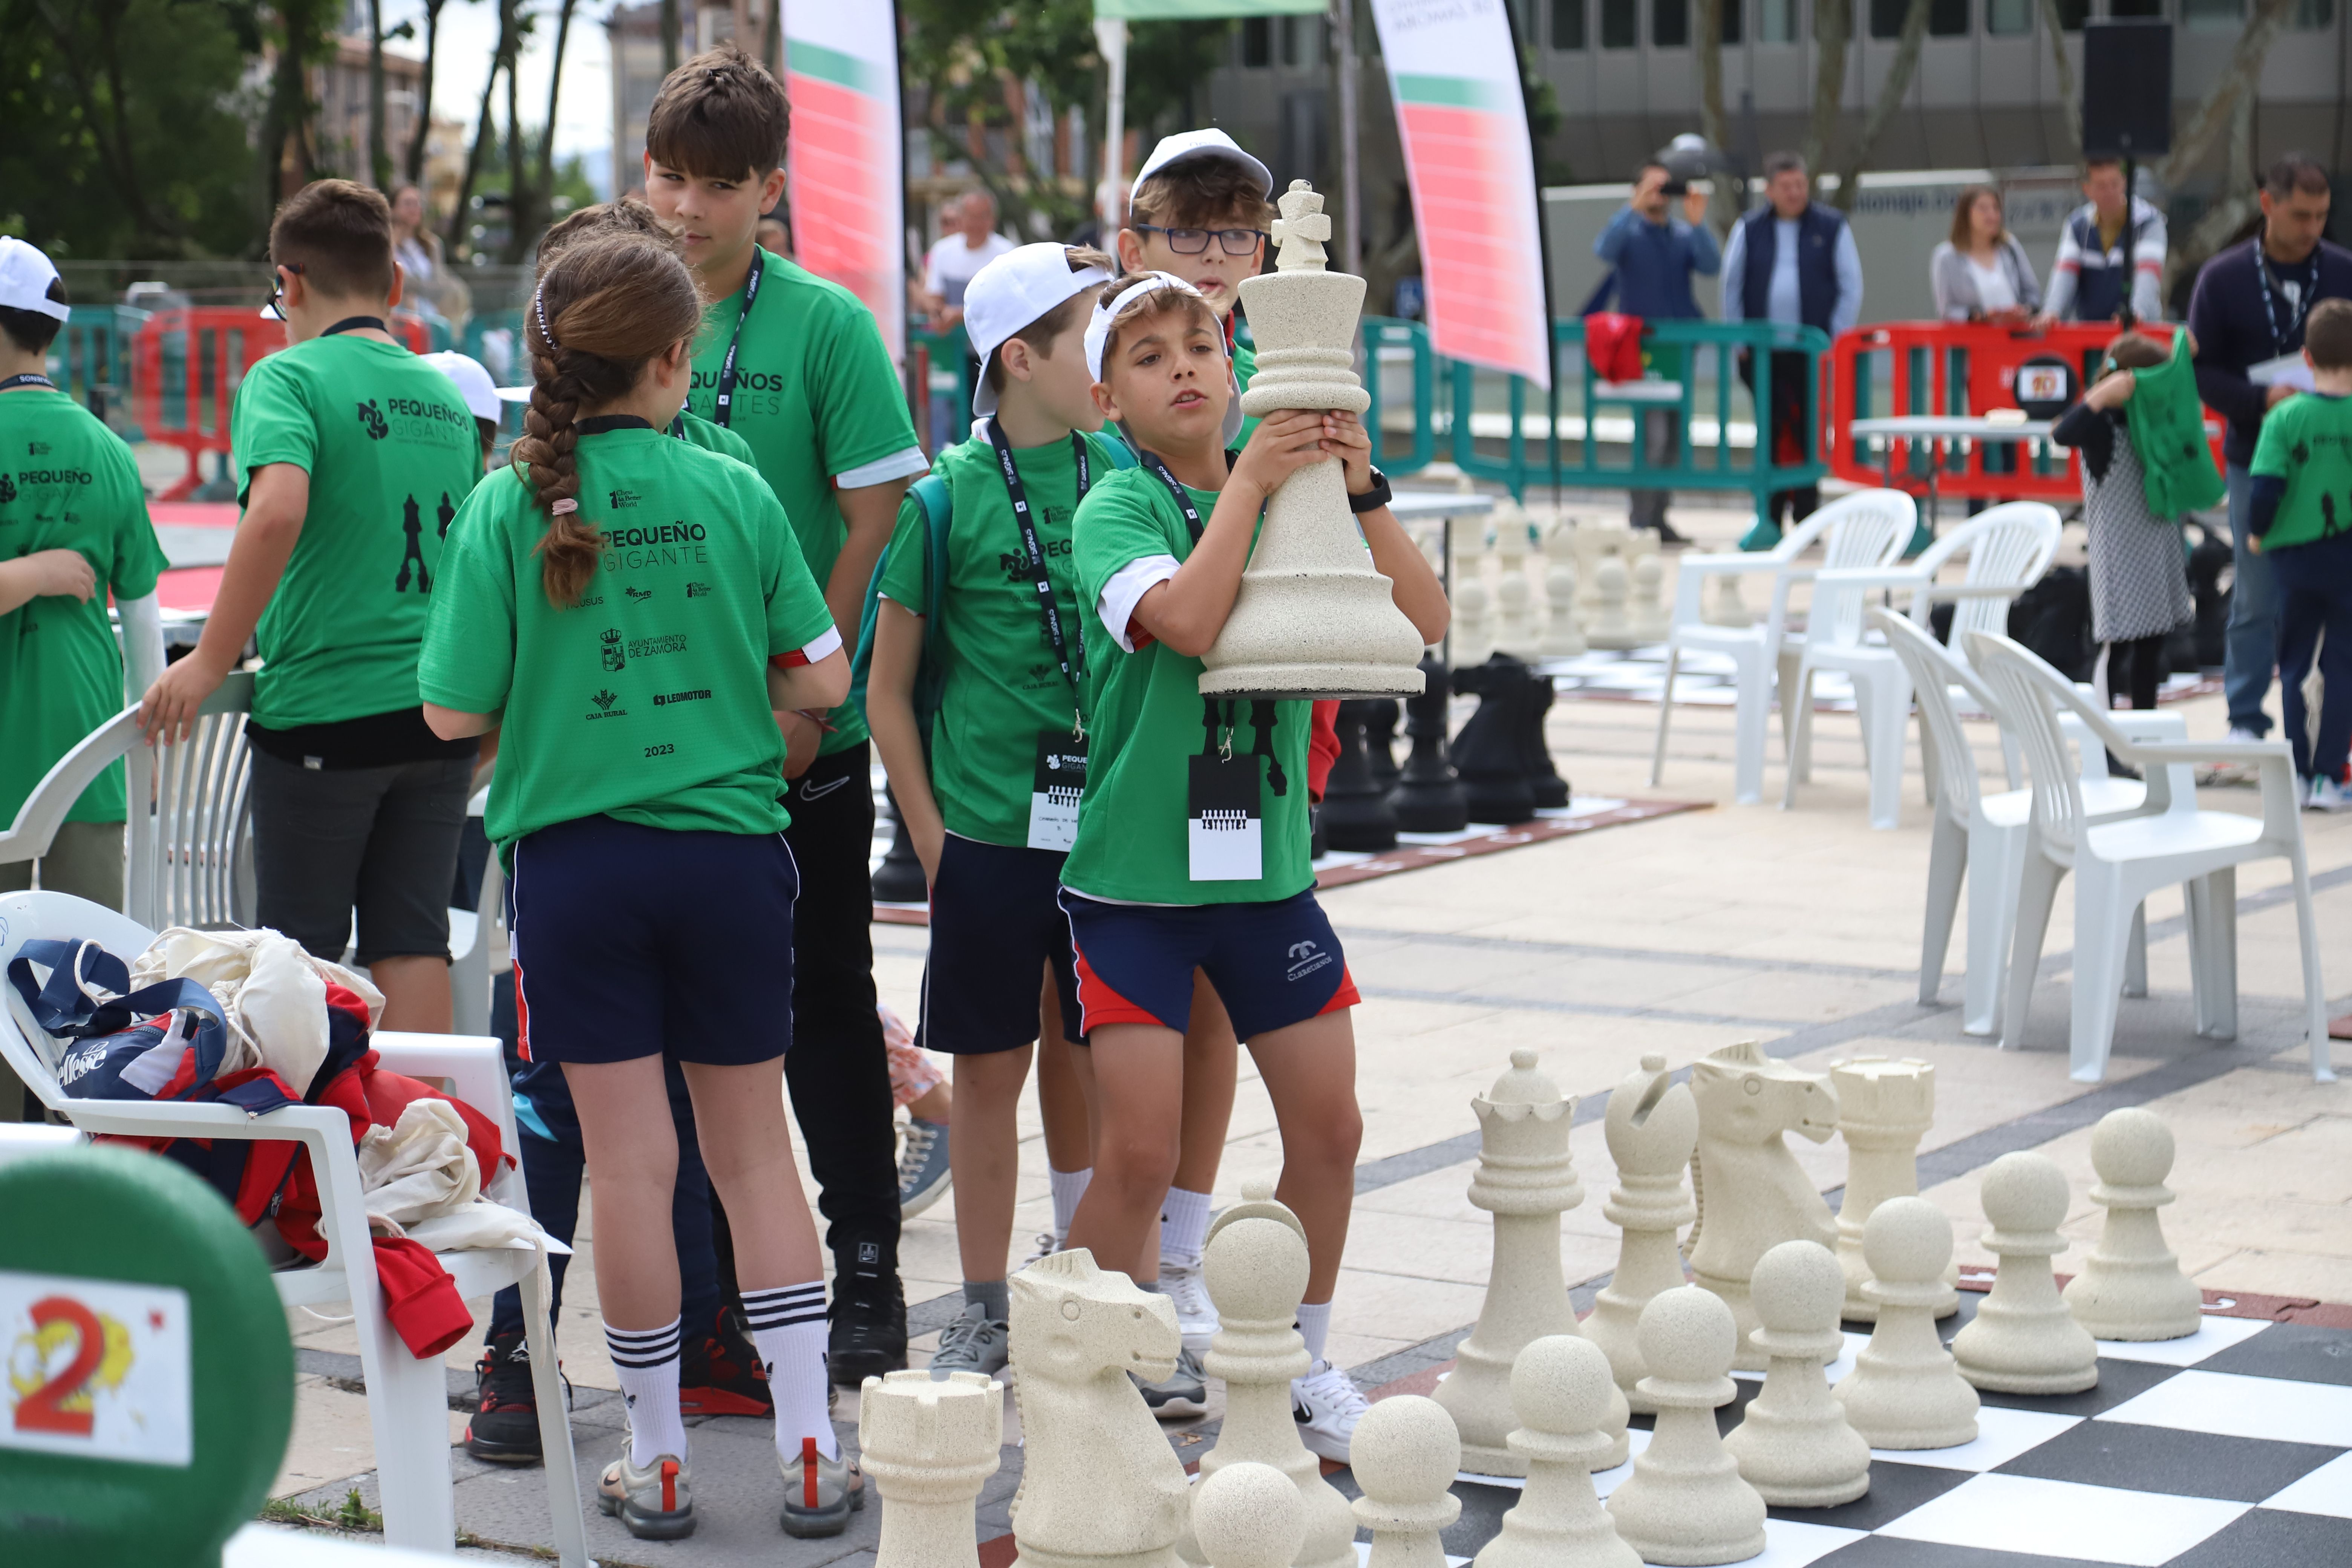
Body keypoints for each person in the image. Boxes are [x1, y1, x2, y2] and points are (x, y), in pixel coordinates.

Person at [420, 229, 856, 1540]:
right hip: (730, 858)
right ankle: (813, 1452)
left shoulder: (510, 504)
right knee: (755, 1158)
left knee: (627, 1163)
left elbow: (449, 713)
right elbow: (824, 681)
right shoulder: (734, 490)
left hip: (578, 872)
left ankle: (657, 1459)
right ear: (675, 360)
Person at [1064, 273, 1450, 1462]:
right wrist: (1249, 480)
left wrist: (1357, 482)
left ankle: (1304, 1357)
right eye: (1148, 356)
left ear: (1237, 371)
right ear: (1108, 399)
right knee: (1135, 1149)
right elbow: (1183, 619)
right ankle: (1107, 1377)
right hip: (1133, 889)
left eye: (1201, 344)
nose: (1183, 366)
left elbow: (1425, 619)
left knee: (1329, 1129)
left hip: (1267, 879)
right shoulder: (1113, 508)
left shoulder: (1296, 496)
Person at [642, 42, 928, 1383]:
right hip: (652, 739)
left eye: (717, 184)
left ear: (771, 187)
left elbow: (877, 511)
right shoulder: (605, 309)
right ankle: (699, 1296)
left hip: (799, 734)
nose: (688, 208)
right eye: (668, 177)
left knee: (823, 1001)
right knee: (660, 1019)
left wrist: (810, 677)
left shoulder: (825, 325)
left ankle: (864, 1262)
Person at [139, 180, 482, 1033]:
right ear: (396, 285)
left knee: (300, 955)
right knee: (414, 940)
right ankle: (422, 1147)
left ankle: (312, 1159)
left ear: (287, 284)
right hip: (438, 715)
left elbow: (278, 509)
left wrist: (212, 661)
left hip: (329, 713)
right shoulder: (443, 396)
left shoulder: (286, 377)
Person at [864, 241, 1117, 1384]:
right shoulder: (943, 499)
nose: (1113, 355)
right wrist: (931, 840)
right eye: (1094, 334)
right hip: (984, 838)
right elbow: (887, 690)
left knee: (1093, 1058)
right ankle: (978, 1306)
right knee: (989, 1073)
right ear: (1021, 357)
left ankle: (1083, 1275)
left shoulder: (1126, 474)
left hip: (1110, 834)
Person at [0, 239, 167, 968]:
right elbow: (140, 614)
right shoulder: (108, 449)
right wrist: (151, 732)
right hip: (88, 745)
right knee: (91, 973)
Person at [2188, 153, 2352, 746]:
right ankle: (2246, 721)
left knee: (2340, 595)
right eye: (2301, 215)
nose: (2313, 228)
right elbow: (2200, 370)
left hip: (2337, 460)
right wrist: (2262, 400)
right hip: (2257, 456)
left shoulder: (2341, 271)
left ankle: (2332, 730)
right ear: (2268, 205)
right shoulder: (2223, 278)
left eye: (2323, 215)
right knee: (2256, 595)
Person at [2049, 332, 2194, 727]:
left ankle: (2144, 730)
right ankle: (2108, 740)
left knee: (2152, 646)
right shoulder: (2103, 425)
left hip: (2157, 549)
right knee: (2117, 649)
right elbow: (2062, 434)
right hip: (2121, 556)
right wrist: (2101, 395)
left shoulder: (2152, 421)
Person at [1721, 152, 1864, 542]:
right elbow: (1731, 285)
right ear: (1769, 190)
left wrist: (1832, 340)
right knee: (1770, 429)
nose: (1795, 192)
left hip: (1811, 352)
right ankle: (1768, 515)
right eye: (1786, 186)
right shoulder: (1750, 228)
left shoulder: (1831, 227)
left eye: (1800, 184)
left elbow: (1850, 286)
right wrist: (1739, 338)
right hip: (1763, 354)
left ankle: (1806, 517)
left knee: (1809, 431)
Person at [2247, 298, 2352, 808]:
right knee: (2344, 665)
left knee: (2292, 664)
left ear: (2306, 358)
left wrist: (2256, 532)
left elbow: (2265, 486)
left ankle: (2294, 771)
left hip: (2295, 558)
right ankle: (2331, 778)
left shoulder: (2285, 416)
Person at [1592, 160, 1721, 544]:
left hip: (1679, 350)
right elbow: (1604, 249)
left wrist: (1699, 223)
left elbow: (1712, 265)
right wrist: (1632, 206)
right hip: (1642, 351)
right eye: (1653, 188)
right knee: (1654, 436)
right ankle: (1641, 519)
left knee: (1676, 438)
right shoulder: (1629, 232)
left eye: (1666, 189)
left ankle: (1659, 519)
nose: (1661, 196)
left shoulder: (1682, 234)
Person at [2037, 157, 2165, 327]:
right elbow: (2064, 277)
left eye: (2115, 184)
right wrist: (2052, 312)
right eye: (2101, 186)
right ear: (2087, 189)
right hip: (2090, 335)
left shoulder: (2149, 222)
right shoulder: (2077, 226)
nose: (2110, 192)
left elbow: (2148, 277)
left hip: (2137, 334)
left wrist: (2136, 313)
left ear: (2125, 183)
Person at [1931, 185, 2042, 324]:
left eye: (1996, 208)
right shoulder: (1946, 256)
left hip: (2016, 338)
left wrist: (2024, 311)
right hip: (1974, 341)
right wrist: (1981, 317)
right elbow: (1947, 311)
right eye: (1983, 209)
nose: (1992, 215)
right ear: (1965, 214)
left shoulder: (2009, 246)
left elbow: (2032, 294)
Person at [390, 184, 470, 327]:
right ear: (393, 209)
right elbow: (394, 278)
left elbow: (438, 283)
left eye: (417, 204)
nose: (414, 209)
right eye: (408, 204)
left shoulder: (431, 244)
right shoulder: (387, 244)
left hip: (430, 318)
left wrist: (416, 287)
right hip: (400, 319)